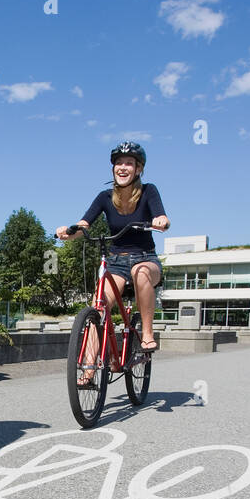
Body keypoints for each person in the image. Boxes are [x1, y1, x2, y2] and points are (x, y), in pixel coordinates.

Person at [55, 142, 169, 380]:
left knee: (140, 272)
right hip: (116, 262)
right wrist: (69, 231)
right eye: (119, 163)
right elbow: (84, 223)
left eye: (129, 163)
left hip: (145, 259)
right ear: (113, 168)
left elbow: (160, 215)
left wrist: (160, 220)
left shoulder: (149, 191)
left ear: (138, 169)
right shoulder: (104, 197)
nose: (123, 167)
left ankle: (147, 333)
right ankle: (88, 369)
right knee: (99, 309)